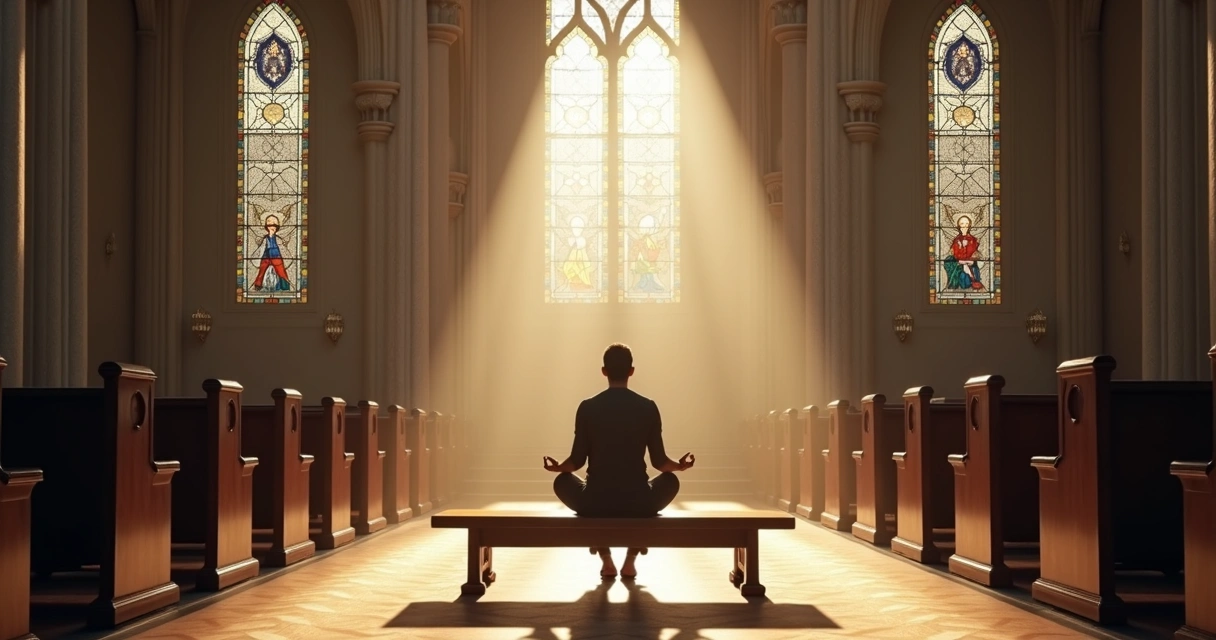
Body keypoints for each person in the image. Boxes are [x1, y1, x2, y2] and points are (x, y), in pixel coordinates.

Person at [542, 343, 696, 579]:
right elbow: (660, 462)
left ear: (604, 371)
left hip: (594, 501)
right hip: (639, 501)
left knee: (562, 482)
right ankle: (630, 562)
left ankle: (606, 561)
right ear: (631, 371)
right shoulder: (648, 407)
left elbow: (576, 461)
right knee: (670, 481)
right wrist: (679, 466)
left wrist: (558, 468)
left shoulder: (587, 407)